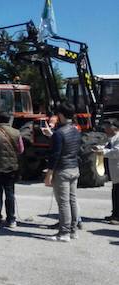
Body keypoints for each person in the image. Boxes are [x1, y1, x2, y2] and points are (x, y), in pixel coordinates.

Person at [44, 103, 81, 242]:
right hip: (74, 168)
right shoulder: (75, 130)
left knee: (63, 203)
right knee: (72, 200)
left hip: (62, 170)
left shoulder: (59, 133)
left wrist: (49, 173)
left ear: (60, 115)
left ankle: (63, 232)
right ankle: (73, 231)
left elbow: (55, 155)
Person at [95, 118, 119, 225]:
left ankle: (117, 217)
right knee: (115, 193)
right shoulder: (111, 137)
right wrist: (99, 148)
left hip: (118, 169)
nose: (106, 129)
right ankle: (115, 214)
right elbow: (107, 147)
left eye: (108, 126)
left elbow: (116, 152)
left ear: (114, 127)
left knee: (118, 193)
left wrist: (102, 151)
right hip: (114, 170)